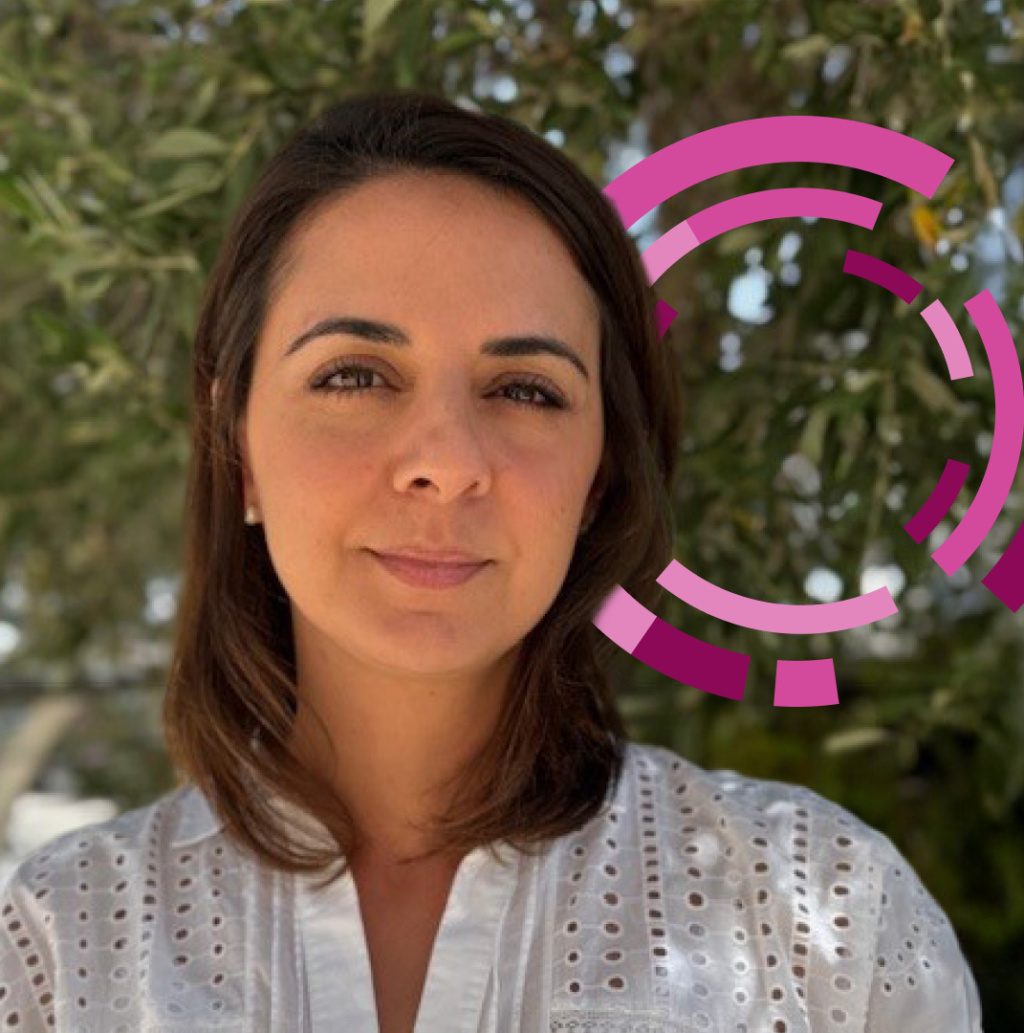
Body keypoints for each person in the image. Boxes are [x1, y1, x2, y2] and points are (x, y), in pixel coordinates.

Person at [0, 88, 982, 1033]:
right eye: (355, 375)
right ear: (235, 445)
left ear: (600, 473)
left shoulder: (826, 923)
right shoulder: (52, 952)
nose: (446, 461)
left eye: (524, 390)